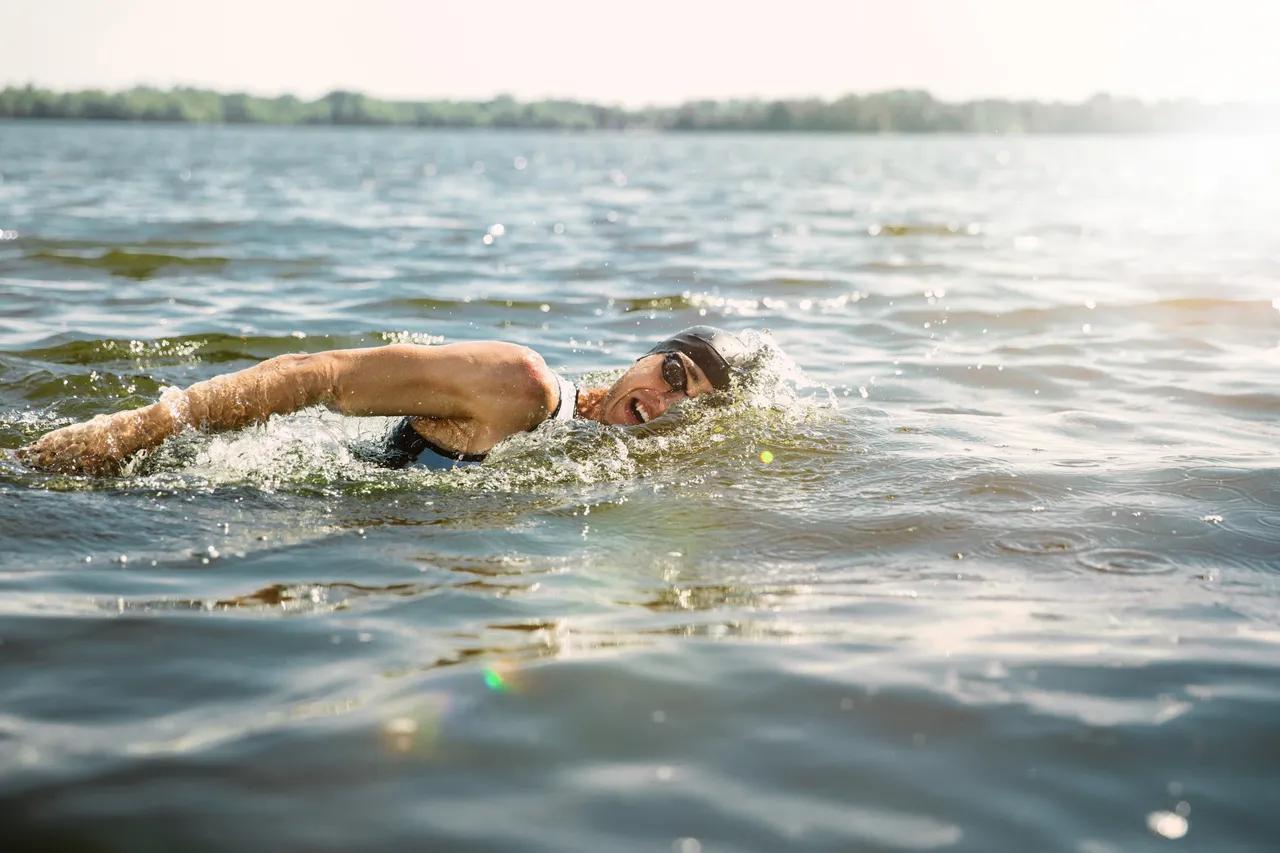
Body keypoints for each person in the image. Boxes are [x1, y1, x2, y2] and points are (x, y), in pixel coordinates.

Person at [18, 326, 748, 476]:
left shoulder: (621, 461)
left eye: (694, 403)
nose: (668, 401)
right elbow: (322, 371)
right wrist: (130, 432)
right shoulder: (523, 384)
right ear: (646, 356)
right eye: (674, 373)